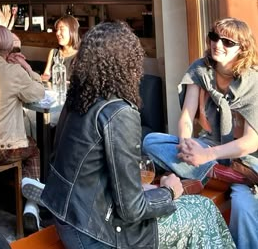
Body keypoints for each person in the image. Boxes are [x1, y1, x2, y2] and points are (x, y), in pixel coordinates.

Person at [32, 21, 235, 248]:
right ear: (128, 61)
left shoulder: (77, 99)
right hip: (100, 235)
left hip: (69, 220)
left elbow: (68, 163)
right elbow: (132, 209)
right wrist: (168, 191)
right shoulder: (119, 112)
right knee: (202, 209)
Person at [143, 17, 258, 249]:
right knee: (151, 141)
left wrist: (206, 156)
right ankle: (221, 174)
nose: (218, 44)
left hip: (243, 159)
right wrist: (186, 144)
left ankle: (226, 174)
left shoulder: (252, 81)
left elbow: (250, 142)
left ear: (242, 48)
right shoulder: (200, 69)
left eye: (227, 42)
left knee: (244, 209)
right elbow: (187, 115)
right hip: (206, 148)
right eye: (214, 37)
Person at [0, 25, 45, 234]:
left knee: (25, 142)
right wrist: (26, 68)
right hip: (5, 150)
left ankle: (22, 204)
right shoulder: (14, 71)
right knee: (34, 148)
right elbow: (38, 93)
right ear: (9, 46)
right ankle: (31, 207)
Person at [41, 15, 80, 82]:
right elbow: (46, 75)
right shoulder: (54, 53)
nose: (57, 33)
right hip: (54, 91)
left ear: (72, 31)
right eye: (57, 30)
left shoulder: (81, 55)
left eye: (62, 29)